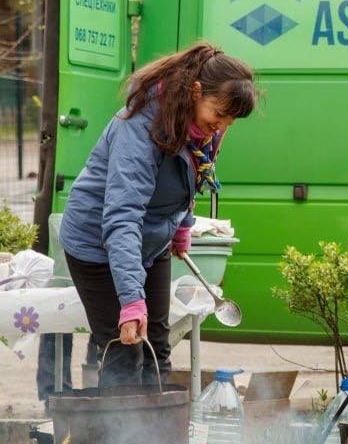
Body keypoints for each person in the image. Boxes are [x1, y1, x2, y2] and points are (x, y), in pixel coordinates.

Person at [58, 43, 255, 388]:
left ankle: (158, 440)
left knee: (157, 348)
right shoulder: (140, 126)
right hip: (98, 244)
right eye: (219, 115)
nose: (222, 126)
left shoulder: (204, 129)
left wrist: (182, 225)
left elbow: (191, 175)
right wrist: (131, 302)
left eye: (230, 121)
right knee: (125, 345)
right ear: (195, 92)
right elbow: (122, 217)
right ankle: (116, 441)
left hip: (151, 240)